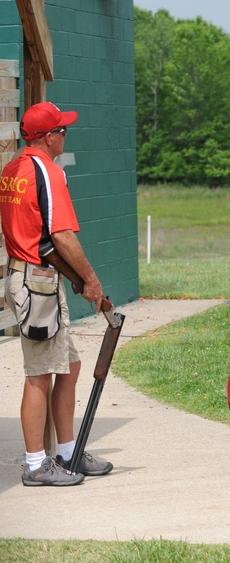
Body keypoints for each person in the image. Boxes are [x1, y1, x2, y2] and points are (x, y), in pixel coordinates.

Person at [0, 101, 113, 486]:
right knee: (39, 375)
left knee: (69, 366)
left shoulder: (14, 167)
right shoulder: (47, 171)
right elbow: (61, 235)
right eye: (62, 131)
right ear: (48, 138)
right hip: (38, 282)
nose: (66, 135)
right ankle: (35, 465)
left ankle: (67, 453)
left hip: (35, 278)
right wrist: (91, 280)